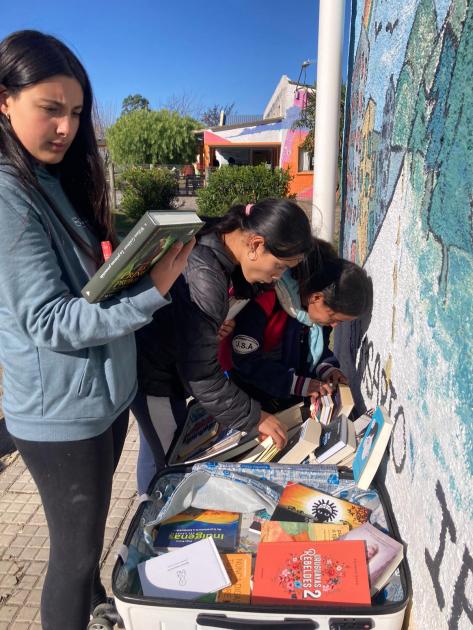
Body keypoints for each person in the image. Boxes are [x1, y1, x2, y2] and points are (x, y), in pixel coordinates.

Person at [0, 30, 194, 630]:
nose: (66, 127)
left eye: (76, 112)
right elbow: (47, 320)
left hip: (104, 399)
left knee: (86, 558)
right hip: (59, 415)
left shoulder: (52, 179)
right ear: (4, 101)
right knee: (74, 555)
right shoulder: (8, 193)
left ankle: (91, 610)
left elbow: (88, 288)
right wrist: (153, 290)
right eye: (49, 109)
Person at [133, 198, 314, 491]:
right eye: (279, 266)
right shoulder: (208, 278)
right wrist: (254, 417)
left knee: (155, 446)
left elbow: (187, 321)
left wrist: (208, 326)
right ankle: (151, 520)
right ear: (255, 244)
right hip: (154, 375)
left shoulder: (217, 237)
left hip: (165, 364)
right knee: (169, 463)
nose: (278, 277)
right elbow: (200, 374)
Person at [228, 239, 373, 413]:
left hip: (284, 397)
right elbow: (246, 362)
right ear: (317, 298)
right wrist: (298, 385)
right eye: (334, 317)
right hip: (248, 400)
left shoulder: (316, 316)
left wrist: (328, 369)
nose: (334, 324)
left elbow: (315, 350)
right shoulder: (267, 299)